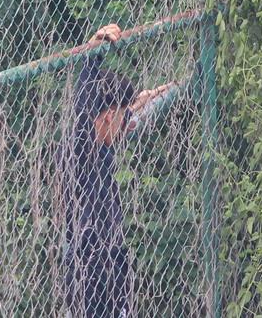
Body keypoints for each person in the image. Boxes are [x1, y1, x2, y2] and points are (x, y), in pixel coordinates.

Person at [62, 26, 171, 318]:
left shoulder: (105, 141)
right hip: (89, 270)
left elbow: (128, 118)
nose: (124, 124)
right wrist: (91, 53)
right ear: (109, 114)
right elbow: (85, 108)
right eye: (120, 115)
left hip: (111, 263)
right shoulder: (80, 148)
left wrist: (143, 102)